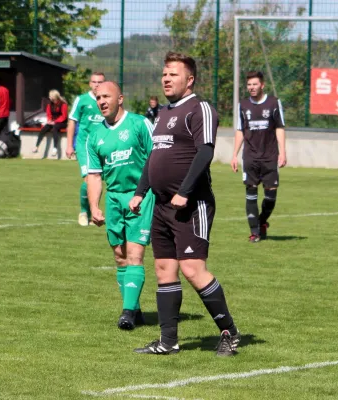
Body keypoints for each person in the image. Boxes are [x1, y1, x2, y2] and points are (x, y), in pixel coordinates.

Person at [129, 52, 240, 357]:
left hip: (192, 205)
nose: (166, 78)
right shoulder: (162, 113)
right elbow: (154, 156)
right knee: (164, 268)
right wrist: (141, 191)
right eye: (164, 74)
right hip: (162, 205)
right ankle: (168, 342)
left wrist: (186, 191)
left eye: (173, 74)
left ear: (189, 80)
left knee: (193, 269)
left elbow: (205, 152)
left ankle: (229, 333)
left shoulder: (200, 108)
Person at [86, 81, 155, 330]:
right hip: (114, 197)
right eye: (98, 98)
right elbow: (94, 174)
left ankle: (126, 313)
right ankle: (135, 310)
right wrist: (94, 206)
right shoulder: (95, 135)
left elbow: (156, 157)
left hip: (140, 195)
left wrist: (148, 192)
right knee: (120, 256)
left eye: (106, 96)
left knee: (135, 255)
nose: (102, 101)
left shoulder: (139, 124)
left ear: (120, 98)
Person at [231, 71, 286, 242]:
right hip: (250, 157)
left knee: (271, 196)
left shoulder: (274, 103)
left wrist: (283, 151)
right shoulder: (243, 105)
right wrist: (234, 155)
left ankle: (261, 221)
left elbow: (279, 127)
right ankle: (255, 232)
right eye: (249, 85)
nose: (251, 88)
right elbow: (240, 130)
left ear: (262, 85)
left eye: (255, 84)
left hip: (270, 156)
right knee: (251, 193)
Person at [66, 72, 106, 226]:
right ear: (90, 83)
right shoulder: (81, 100)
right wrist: (69, 145)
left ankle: (92, 212)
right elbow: (72, 121)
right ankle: (84, 211)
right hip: (83, 145)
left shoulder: (107, 101)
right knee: (89, 178)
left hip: (101, 146)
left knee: (97, 180)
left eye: (100, 82)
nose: (97, 85)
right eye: (94, 82)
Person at [33, 90, 68, 157]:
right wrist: (49, 120)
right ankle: (36, 146)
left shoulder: (63, 104)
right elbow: (48, 114)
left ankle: (55, 148)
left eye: (51, 97)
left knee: (55, 128)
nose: (50, 98)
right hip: (53, 121)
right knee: (43, 129)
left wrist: (55, 122)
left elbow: (64, 116)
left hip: (62, 122)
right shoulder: (50, 104)